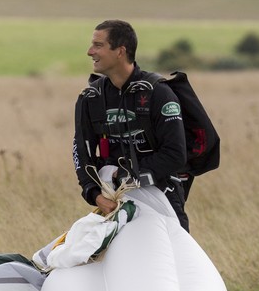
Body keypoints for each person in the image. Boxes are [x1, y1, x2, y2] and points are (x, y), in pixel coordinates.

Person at [72, 19, 190, 231]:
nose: (90, 52)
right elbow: (81, 153)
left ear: (120, 51)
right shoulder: (91, 98)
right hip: (113, 202)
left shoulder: (158, 93)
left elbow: (175, 154)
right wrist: (94, 193)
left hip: (162, 197)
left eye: (98, 45)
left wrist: (125, 176)